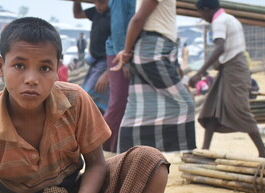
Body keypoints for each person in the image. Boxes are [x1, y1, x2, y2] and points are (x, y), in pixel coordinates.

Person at [0, 17, 168, 193]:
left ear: (58, 69)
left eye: (44, 68)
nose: (31, 79)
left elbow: (96, 165)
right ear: (1, 66)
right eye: (19, 66)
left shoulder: (75, 101)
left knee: (150, 162)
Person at [188, 0, 265, 158]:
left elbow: (220, 47)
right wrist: (218, 64)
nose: (202, 16)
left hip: (235, 69)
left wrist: (199, 72)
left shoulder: (218, 21)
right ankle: (205, 150)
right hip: (230, 67)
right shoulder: (230, 19)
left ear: (206, 9)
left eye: (200, 13)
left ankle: (263, 152)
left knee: (240, 108)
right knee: (212, 107)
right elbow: (229, 49)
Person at [111, 0, 196, 153]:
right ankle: (186, 153)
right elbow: (137, 20)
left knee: (139, 110)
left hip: (149, 50)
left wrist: (128, 51)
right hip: (153, 53)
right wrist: (127, 52)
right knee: (185, 104)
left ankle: (125, 155)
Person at [102, 0, 135, 152]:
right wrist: (124, 59)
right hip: (119, 53)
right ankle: (98, 147)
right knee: (118, 103)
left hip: (129, 53)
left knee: (126, 104)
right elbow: (118, 28)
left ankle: (115, 147)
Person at [74, 0, 110, 114]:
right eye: (96, 2)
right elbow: (77, 14)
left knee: (89, 96)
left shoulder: (114, 15)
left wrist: (108, 73)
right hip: (94, 60)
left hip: (106, 62)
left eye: (102, 2)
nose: (99, 6)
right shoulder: (95, 12)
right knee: (87, 95)